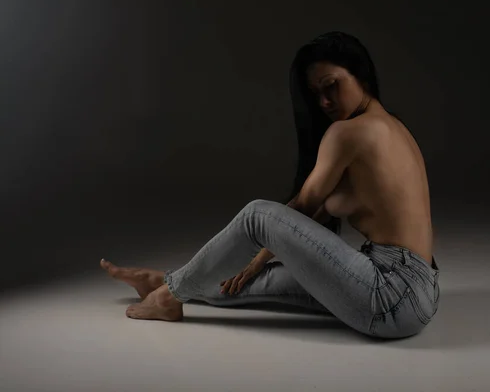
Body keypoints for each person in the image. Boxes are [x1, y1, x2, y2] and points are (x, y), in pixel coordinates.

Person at [100, 31, 440, 339]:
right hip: (417, 293)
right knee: (247, 281)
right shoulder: (393, 127)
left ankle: (167, 297)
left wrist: (256, 258)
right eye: (316, 93)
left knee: (257, 216)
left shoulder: (349, 132)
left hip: (390, 295)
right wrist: (252, 265)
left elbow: (301, 208)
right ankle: (164, 282)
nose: (323, 102)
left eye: (331, 84)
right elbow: (318, 215)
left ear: (360, 73)